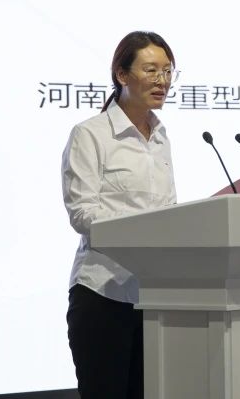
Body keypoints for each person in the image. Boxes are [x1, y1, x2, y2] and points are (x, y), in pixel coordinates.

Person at [61, 31, 178, 399]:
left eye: (168, 71)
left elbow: (166, 210)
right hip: (103, 294)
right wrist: (142, 229)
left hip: (154, 297)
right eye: (151, 70)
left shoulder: (160, 137)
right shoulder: (90, 134)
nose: (162, 80)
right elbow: (82, 213)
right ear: (122, 74)